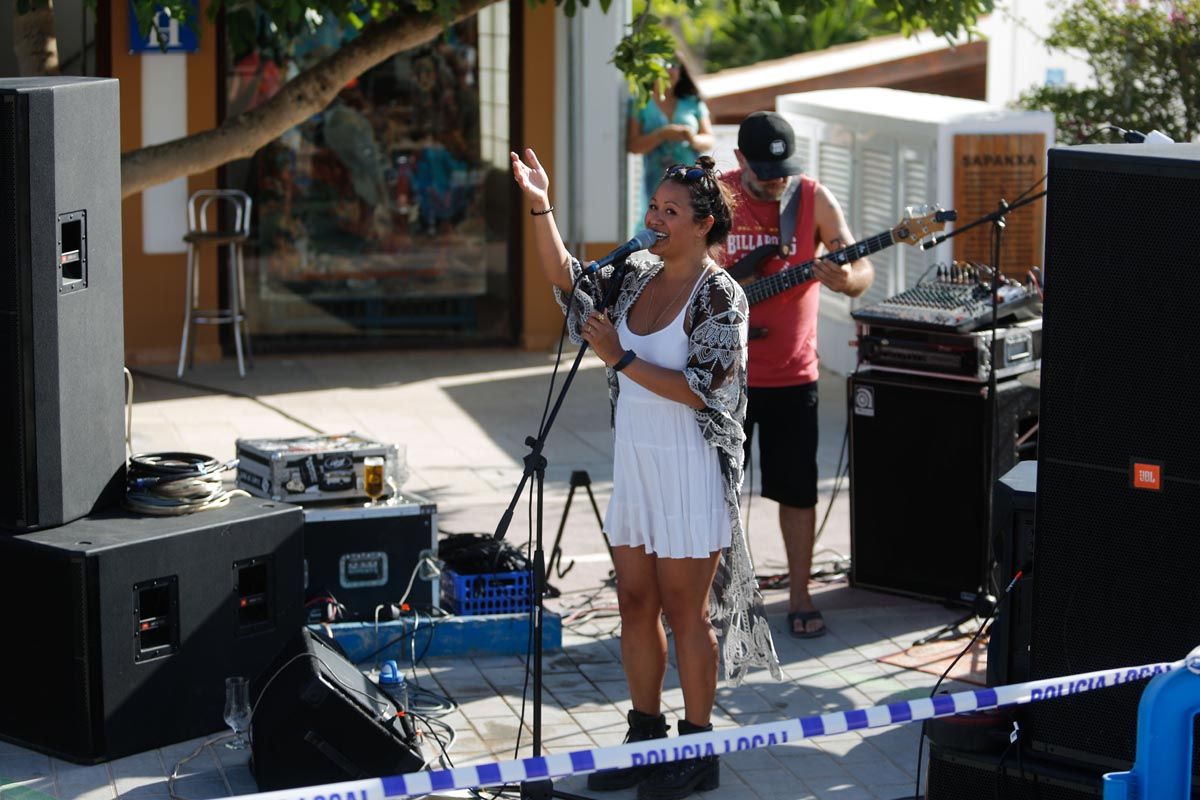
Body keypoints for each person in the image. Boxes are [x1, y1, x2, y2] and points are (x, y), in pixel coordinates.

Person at [511, 148, 779, 800]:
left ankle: (697, 748)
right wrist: (541, 203)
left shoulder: (722, 294)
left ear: (702, 224)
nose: (655, 219)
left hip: (689, 466)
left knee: (686, 611)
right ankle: (644, 736)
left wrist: (621, 358)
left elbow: (708, 390)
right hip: (634, 461)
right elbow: (570, 281)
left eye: (670, 211)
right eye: (653, 207)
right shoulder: (632, 273)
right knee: (635, 603)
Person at [720, 111, 874, 639]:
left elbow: (862, 271)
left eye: (783, 168)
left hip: (792, 375)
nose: (777, 179)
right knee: (716, 493)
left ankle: (801, 595)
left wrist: (846, 279)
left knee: (798, 492)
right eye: (765, 171)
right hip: (723, 377)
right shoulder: (715, 198)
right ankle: (719, 597)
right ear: (740, 160)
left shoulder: (813, 199)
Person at [626, 57, 715, 223]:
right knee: (656, 222)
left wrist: (692, 138)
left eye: (674, 66)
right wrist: (662, 134)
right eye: (664, 65)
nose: (669, 70)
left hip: (690, 181)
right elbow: (633, 145)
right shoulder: (641, 103)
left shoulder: (693, 102)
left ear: (681, 72)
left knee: (689, 221)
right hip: (655, 183)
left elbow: (709, 139)